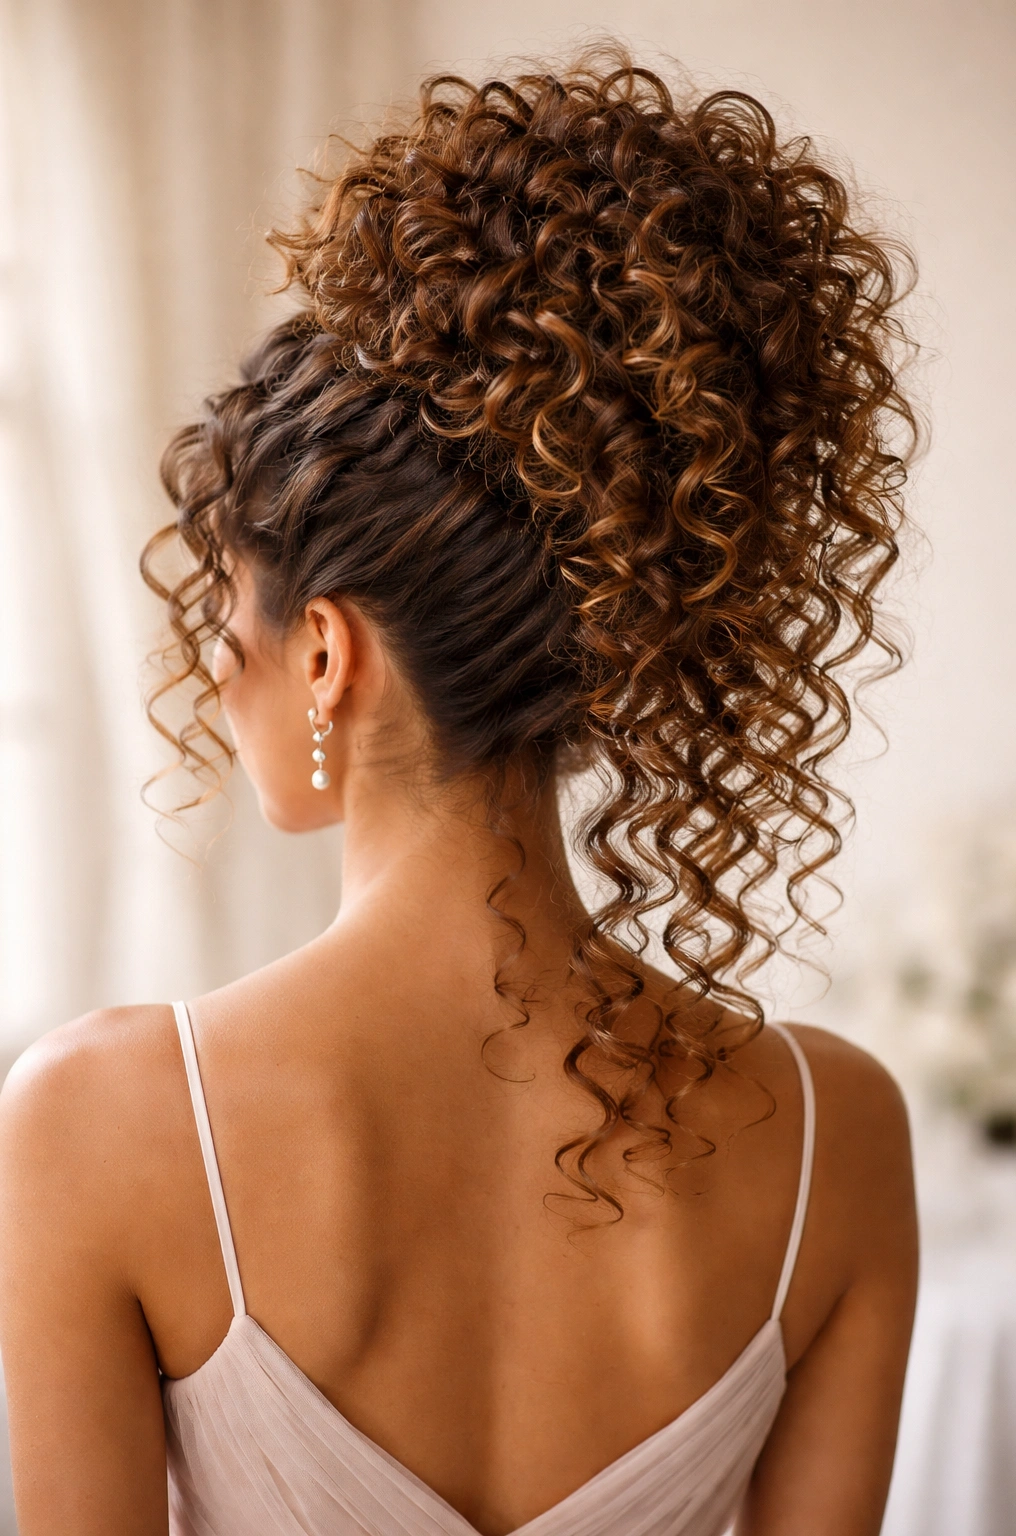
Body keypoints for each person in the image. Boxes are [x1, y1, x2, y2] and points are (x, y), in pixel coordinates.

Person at [0, 54, 918, 1536]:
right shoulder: (834, 1135)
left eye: (228, 624)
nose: (218, 672)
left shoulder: (98, 1122)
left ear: (324, 652)